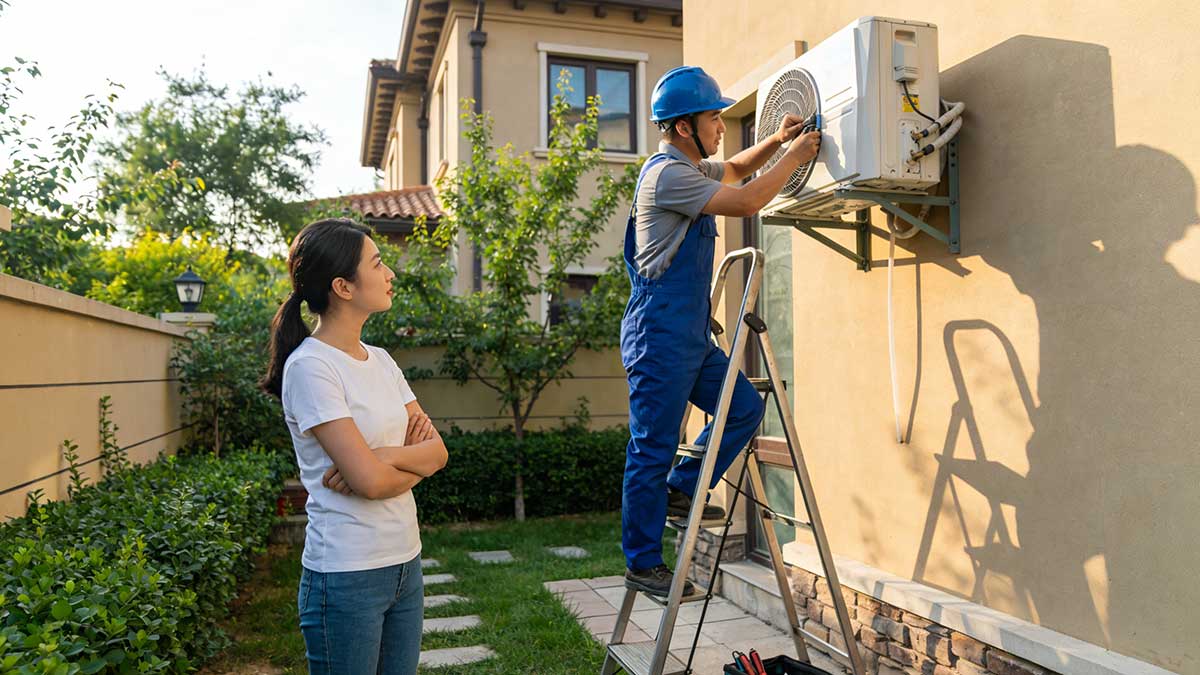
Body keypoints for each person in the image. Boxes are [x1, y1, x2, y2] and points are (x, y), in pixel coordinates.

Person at [621, 66, 822, 596]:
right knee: (651, 446)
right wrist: (796, 159)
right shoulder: (667, 175)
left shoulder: (692, 166)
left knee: (745, 408)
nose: (721, 126)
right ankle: (642, 562)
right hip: (658, 333)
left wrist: (777, 141)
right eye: (714, 118)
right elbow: (748, 200)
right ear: (685, 126)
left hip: (688, 333)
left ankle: (682, 489)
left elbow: (734, 170)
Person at [260, 218, 448, 674]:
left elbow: (438, 452)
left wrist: (383, 458)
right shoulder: (311, 368)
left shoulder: (380, 360)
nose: (391, 275)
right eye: (378, 263)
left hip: (406, 562)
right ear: (343, 286)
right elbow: (367, 482)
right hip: (346, 575)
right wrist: (390, 467)